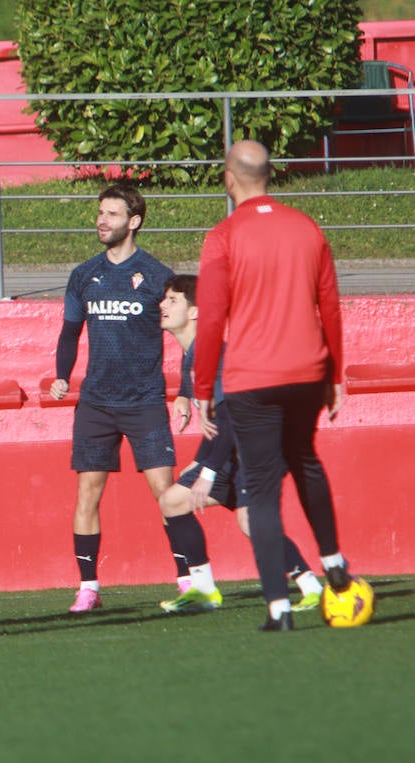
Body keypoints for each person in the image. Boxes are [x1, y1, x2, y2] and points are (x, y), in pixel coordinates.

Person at [194, 139, 353, 632]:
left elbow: (212, 319)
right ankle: (333, 561)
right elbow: (329, 306)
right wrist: (335, 375)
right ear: (270, 176)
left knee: (260, 488)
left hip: (251, 380)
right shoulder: (307, 228)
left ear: (229, 177)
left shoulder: (223, 236)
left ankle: (278, 609)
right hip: (307, 371)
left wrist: (201, 390)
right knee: (305, 457)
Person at [156, 274, 326, 614]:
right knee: (172, 502)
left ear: (195, 312)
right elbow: (217, 421)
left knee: (250, 521)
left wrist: (207, 470)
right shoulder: (192, 355)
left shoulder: (211, 354)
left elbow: (232, 415)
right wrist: (201, 457)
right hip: (231, 449)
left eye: (173, 300)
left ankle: (313, 587)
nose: (162, 304)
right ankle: (204, 591)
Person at [50, 184, 178, 613]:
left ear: (134, 221)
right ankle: (88, 587)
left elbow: (186, 332)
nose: (102, 221)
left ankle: (189, 579)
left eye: (112, 214)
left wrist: (191, 392)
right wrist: (63, 377)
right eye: (100, 213)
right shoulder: (83, 274)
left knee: (167, 492)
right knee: (87, 492)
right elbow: (70, 332)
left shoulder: (159, 276)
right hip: (96, 403)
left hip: (144, 400)